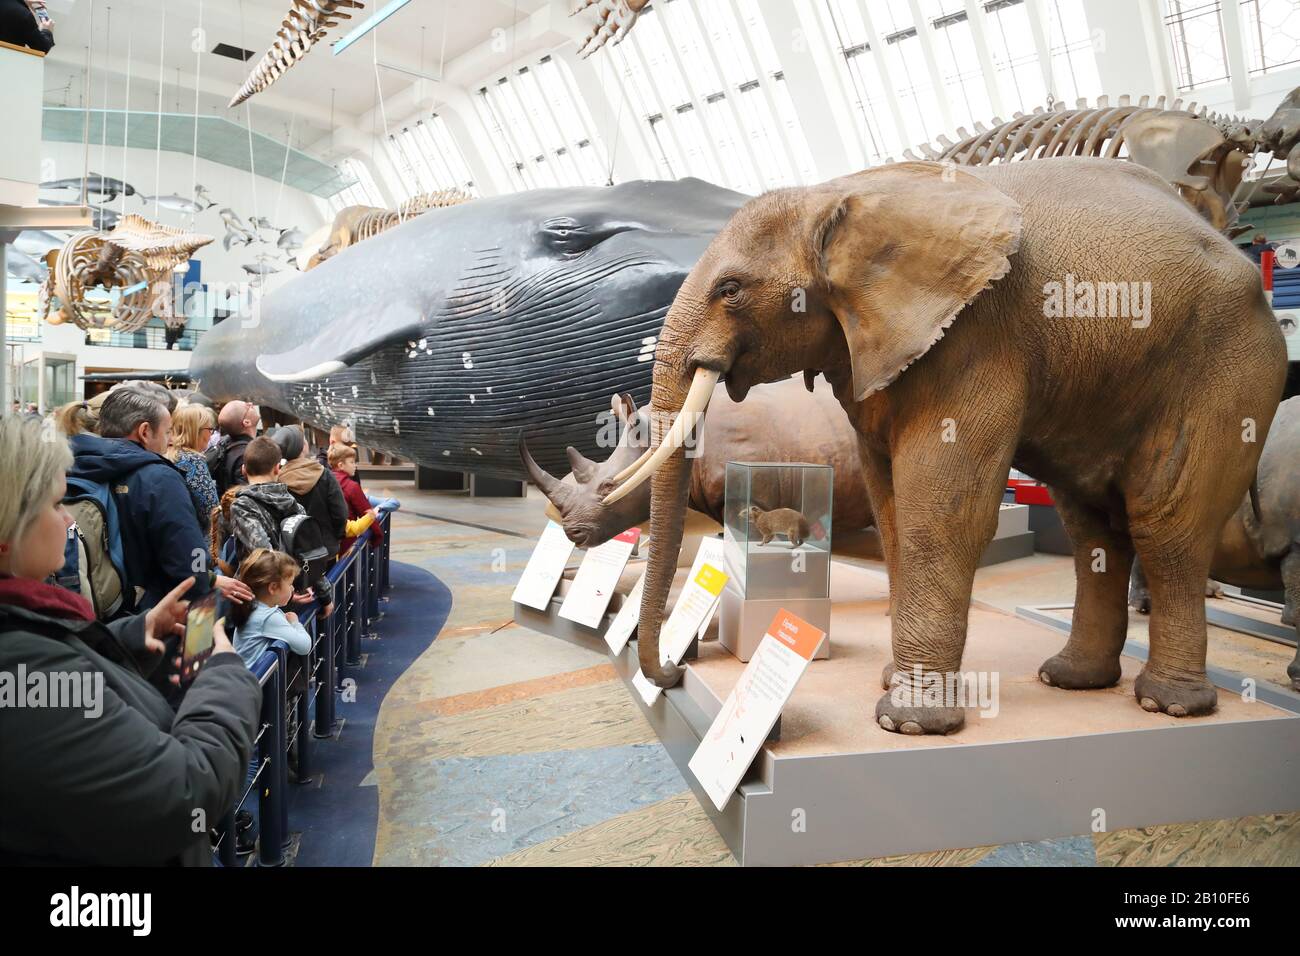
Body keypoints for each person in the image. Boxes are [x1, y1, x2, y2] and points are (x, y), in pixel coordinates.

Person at [0, 416, 259, 865]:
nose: (68, 522)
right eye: (57, 505)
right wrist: (224, 675)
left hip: (141, 612)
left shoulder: (102, 471)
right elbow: (184, 791)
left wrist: (130, 633)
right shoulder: (165, 475)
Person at [66, 387, 251, 615]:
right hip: (152, 618)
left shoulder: (71, 463)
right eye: (167, 432)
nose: (171, 440)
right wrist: (206, 582)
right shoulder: (159, 478)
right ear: (144, 431)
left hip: (91, 613)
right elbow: (190, 561)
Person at [222, 436, 333, 617]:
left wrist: (285, 593)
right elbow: (310, 550)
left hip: (261, 601)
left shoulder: (242, 506)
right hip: (291, 592)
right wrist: (325, 595)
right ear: (277, 468)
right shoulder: (294, 504)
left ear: (243, 470)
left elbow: (263, 554)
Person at [272, 425, 347, 559]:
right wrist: (336, 537)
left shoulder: (277, 480)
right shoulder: (324, 474)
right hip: (325, 550)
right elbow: (340, 513)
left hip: (292, 553)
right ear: (302, 447)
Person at [169, 403, 219, 532]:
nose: (211, 435)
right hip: (193, 537)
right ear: (197, 431)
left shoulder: (168, 454)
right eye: (209, 429)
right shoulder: (193, 461)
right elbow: (210, 508)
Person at [330, 442, 384, 554]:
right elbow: (367, 512)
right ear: (341, 465)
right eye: (352, 462)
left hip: (329, 543)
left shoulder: (326, 481)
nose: (355, 465)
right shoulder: (351, 487)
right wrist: (377, 538)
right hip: (347, 543)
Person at [207, 400, 260, 496]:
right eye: (247, 406)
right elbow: (246, 496)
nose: (251, 404)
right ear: (246, 422)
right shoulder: (247, 455)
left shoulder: (224, 444)